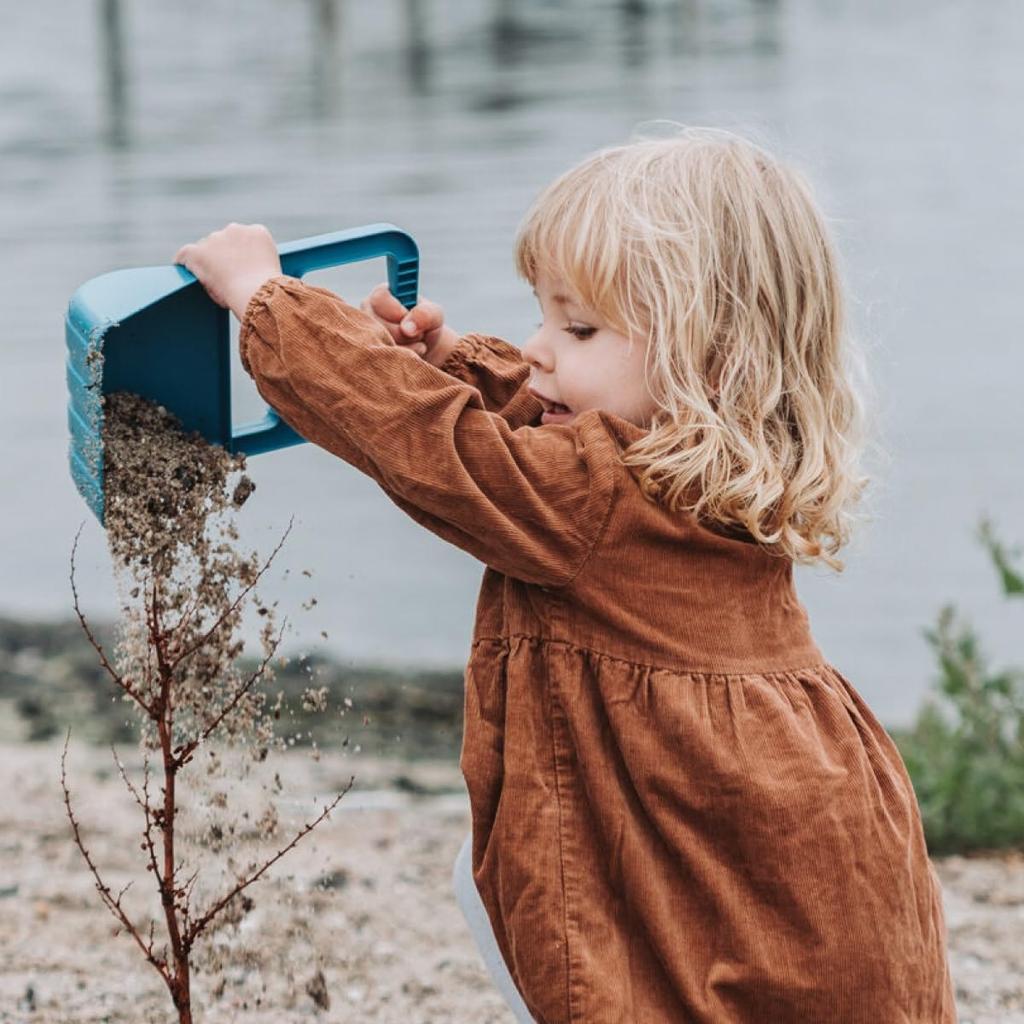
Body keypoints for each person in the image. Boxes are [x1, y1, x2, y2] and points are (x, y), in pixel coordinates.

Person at [174, 126, 957, 1023]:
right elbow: (550, 432)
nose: (538, 347)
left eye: (577, 326)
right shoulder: (709, 466)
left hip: (687, 835)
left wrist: (269, 301)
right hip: (791, 823)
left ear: (710, 357)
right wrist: (450, 364)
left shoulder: (591, 502)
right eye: (544, 314)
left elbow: (433, 445)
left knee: (624, 975)